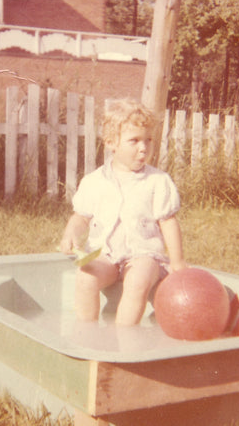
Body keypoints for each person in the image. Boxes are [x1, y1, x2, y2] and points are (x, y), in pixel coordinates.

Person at [59, 99, 186, 326]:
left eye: (148, 140)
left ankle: (124, 336)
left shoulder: (157, 181)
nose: (143, 147)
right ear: (111, 143)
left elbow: (168, 221)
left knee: (137, 281)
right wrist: (71, 234)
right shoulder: (95, 181)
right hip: (105, 254)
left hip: (143, 254)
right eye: (134, 141)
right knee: (86, 278)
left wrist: (177, 262)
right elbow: (81, 217)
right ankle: (87, 333)